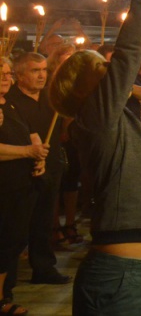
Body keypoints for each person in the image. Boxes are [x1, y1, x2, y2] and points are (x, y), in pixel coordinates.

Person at [47, 0, 141, 315]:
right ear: (84, 88)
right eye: (100, 67)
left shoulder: (109, 117)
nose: (109, 69)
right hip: (121, 275)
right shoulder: (94, 118)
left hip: (136, 272)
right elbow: (129, 53)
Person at [4, 52, 69, 286]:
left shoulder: (52, 98)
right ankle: (7, 279)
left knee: (44, 220)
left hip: (49, 165)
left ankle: (43, 267)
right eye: (35, 70)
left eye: (44, 70)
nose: (42, 75)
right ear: (19, 75)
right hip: (21, 171)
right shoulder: (9, 101)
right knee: (17, 228)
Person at [1, 56, 47, 316]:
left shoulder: (11, 105)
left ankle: (6, 293)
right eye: (1, 74)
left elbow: (30, 132)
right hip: (4, 186)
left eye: (8, 73)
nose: (5, 78)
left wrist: (39, 155)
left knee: (13, 241)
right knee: (4, 242)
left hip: (20, 184)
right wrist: (28, 151)